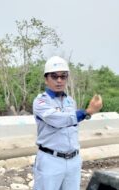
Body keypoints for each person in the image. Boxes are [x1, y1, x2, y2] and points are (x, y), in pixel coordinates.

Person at [32, 56, 103, 190]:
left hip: (73, 159)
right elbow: (59, 120)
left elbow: (72, 123)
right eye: (54, 76)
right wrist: (88, 112)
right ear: (46, 79)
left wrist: (86, 115)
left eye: (63, 76)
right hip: (50, 159)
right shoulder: (41, 102)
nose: (59, 80)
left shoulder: (70, 101)